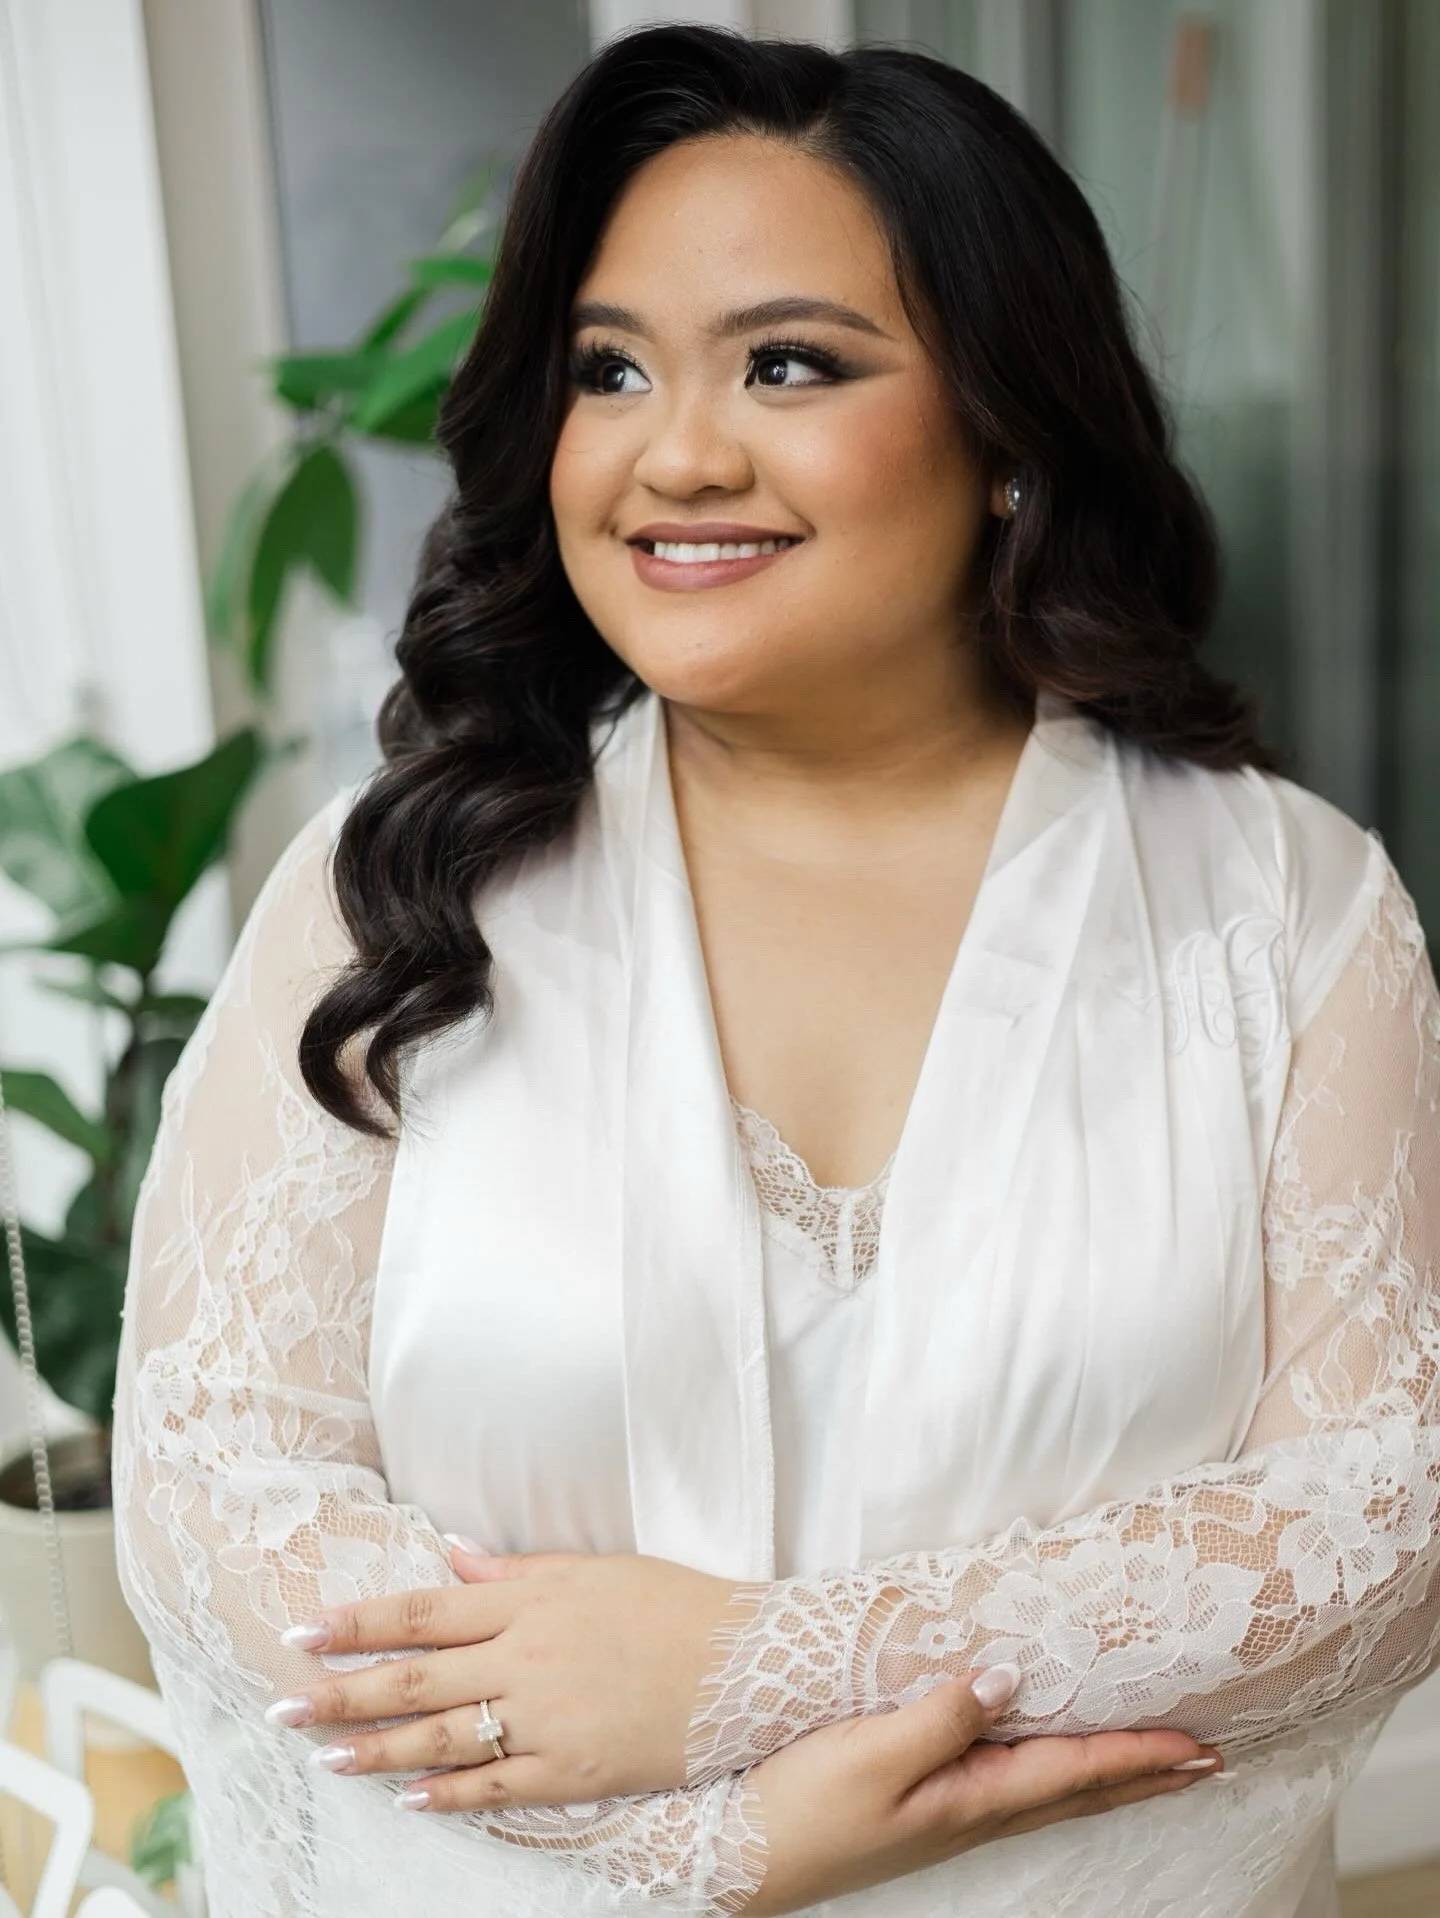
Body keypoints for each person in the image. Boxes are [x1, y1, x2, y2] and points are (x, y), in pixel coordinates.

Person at [112, 23, 1440, 1918]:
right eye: (609, 369)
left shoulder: (1289, 911)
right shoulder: (389, 898)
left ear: (1008, 425)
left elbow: (1381, 1516)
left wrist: (743, 1670)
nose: (676, 452)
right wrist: (711, 1853)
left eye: (790, 362)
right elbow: (215, 1484)